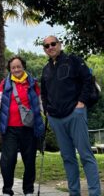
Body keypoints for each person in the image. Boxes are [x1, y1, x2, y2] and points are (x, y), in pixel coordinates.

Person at [41, 36, 101, 196]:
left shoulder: (73, 60)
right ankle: (74, 193)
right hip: (56, 119)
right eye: (46, 46)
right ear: (44, 49)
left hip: (75, 114)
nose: (50, 47)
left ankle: (94, 193)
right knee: (67, 158)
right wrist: (46, 110)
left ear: (59, 44)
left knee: (85, 155)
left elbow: (88, 80)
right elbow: (44, 93)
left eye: (53, 44)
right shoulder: (45, 69)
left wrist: (81, 103)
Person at [0, 56, 44, 196]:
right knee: (7, 161)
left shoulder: (32, 83)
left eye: (18, 66)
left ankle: (28, 190)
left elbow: (39, 103)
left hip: (29, 128)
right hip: (10, 129)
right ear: (10, 69)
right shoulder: (5, 83)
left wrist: (49, 112)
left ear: (23, 67)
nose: (16, 69)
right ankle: (7, 190)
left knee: (29, 160)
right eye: (13, 67)